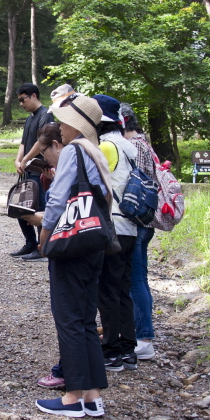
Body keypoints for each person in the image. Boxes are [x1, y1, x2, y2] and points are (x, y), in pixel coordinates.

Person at [35, 94, 112, 418]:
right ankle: (93, 397)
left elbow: (57, 199)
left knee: (68, 319)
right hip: (95, 242)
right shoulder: (95, 152)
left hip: (71, 243)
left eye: (64, 121)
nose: (61, 127)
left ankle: (72, 398)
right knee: (85, 319)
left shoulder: (72, 151)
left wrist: (44, 235)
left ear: (75, 125)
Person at [95, 95, 139, 372]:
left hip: (113, 226)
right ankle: (128, 349)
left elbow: (100, 186)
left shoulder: (106, 147)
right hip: (130, 226)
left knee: (107, 291)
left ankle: (111, 350)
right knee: (122, 289)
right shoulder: (128, 145)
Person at [120, 102, 161, 361]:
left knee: (135, 281)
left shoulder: (132, 146)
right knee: (139, 279)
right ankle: (141, 333)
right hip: (145, 220)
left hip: (136, 222)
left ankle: (144, 338)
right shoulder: (144, 143)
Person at [10, 84, 55, 260]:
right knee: (20, 206)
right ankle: (30, 243)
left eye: (23, 99)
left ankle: (42, 248)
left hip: (39, 170)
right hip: (27, 171)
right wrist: (18, 160)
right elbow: (24, 142)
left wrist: (26, 159)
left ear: (34, 96)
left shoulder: (46, 115)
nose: (21, 104)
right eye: (19, 101)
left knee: (39, 208)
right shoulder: (29, 119)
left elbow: (42, 142)